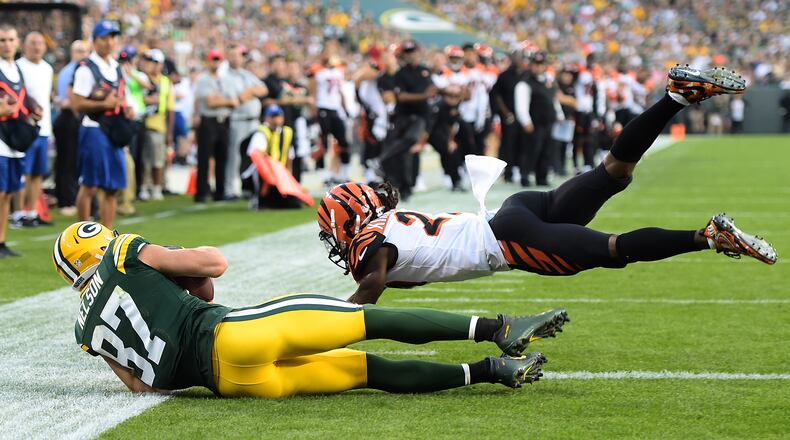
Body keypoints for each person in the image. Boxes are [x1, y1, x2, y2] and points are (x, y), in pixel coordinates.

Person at [317, 65, 778, 304]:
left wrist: (320, 317)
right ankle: (674, 98)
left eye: (331, 226)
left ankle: (707, 236)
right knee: (611, 172)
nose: (333, 237)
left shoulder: (369, 242)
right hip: (513, 210)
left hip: (510, 239)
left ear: (349, 219)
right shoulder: (390, 223)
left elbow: (370, 289)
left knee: (612, 249)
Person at [52, 221, 569, 396]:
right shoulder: (123, 253)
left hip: (234, 384)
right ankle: (499, 329)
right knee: (369, 322)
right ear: (99, 247)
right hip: (235, 334)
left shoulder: (84, 327)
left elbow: (147, 386)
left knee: (368, 374)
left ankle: (491, 372)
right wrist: (177, 270)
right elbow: (215, 265)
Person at [72, 21, 134, 228]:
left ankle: (107, 237)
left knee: (112, 187)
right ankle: (82, 234)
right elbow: (77, 103)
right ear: (94, 41)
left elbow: (122, 95)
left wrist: (126, 106)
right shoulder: (86, 68)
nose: (109, 42)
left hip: (114, 130)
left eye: (113, 37)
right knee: (89, 185)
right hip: (94, 130)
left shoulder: (116, 67)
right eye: (104, 38)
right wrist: (103, 104)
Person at [0, 24, 40, 258]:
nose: (6, 44)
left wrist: (33, 108)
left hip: (14, 137)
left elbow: (21, 98)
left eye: (10, 39)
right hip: (1, 137)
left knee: (7, 193)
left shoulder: (17, 69)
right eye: (2, 40)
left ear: (17, 43)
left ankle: (2, 241)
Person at [14, 31, 53, 228]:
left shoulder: (47, 68)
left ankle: (32, 212)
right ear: (24, 45)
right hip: (24, 127)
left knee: (38, 173)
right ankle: (18, 212)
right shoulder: (18, 67)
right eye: (32, 43)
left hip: (43, 128)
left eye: (40, 43)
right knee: (23, 172)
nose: (37, 47)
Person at [194, 49, 238, 203]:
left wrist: (222, 100)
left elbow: (235, 100)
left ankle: (220, 192)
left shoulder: (225, 79)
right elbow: (210, 102)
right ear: (208, 60)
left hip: (224, 121)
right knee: (204, 158)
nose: (216, 62)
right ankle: (201, 192)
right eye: (213, 59)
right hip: (209, 120)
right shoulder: (203, 79)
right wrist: (225, 101)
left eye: (218, 59)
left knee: (222, 157)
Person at [226, 43, 267, 199]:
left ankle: (249, 187)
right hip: (238, 119)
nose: (238, 59)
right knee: (234, 156)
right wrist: (249, 93)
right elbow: (237, 98)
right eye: (235, 55)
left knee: (252, 155)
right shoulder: (225, 75)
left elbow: (263, 89)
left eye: (240, 56)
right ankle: (230, 188)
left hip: (253, 121)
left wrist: (250, 91)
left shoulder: (246, 74)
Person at [53, 40, 89, 216]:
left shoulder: (75, 70)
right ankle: (66, 201)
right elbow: (68, 98)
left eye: (84, 51)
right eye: (78, 51)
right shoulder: (72, 71)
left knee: (68, 161)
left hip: (70, 117)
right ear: (72, 53)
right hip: (69, 118)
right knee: (68, 161)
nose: (82, 55)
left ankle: (67, 199)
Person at [139, 49, 174, 201]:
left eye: (154, 62)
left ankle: (157, 187)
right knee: (143, 159)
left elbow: (170, 109)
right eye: (149, 61)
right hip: (140, 123)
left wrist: (169, 133)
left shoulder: (165, 82)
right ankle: (144, 187)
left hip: (157, 124)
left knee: (157, 159)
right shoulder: (141, 78)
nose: (150, 65)